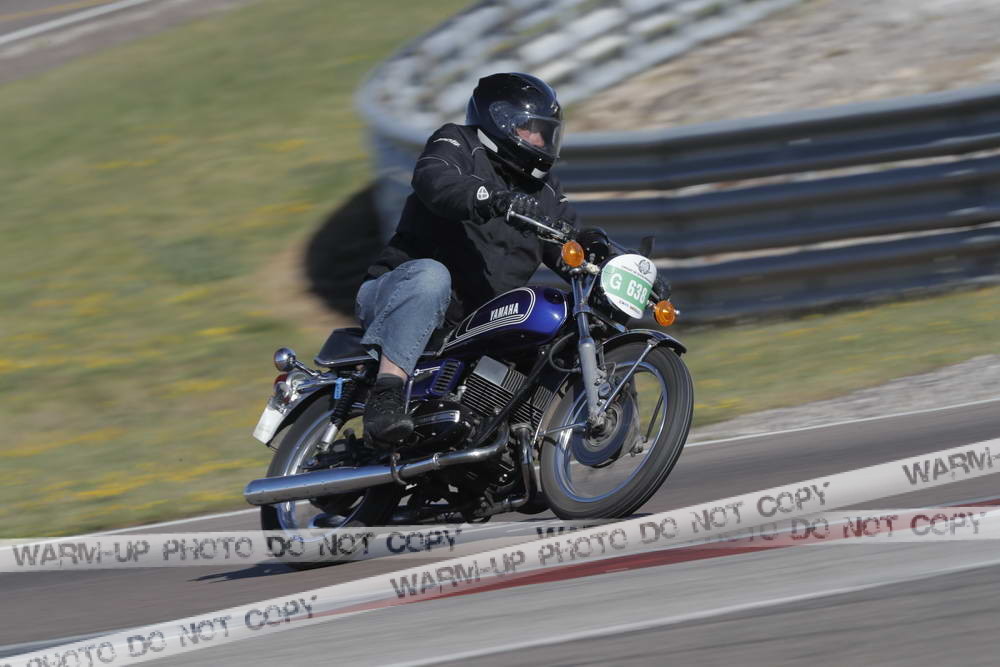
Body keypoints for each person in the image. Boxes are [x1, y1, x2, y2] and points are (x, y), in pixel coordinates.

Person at [355, 72, 579, 448]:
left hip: (473, 325)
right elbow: (435, 180)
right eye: (531, 129)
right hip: (398, 295)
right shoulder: (457, 142)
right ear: (501, 121)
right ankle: (386, 397)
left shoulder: (544, 192)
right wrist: (491, 198)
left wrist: (616, 260)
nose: (540, 141)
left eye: (546, 132)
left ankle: (523, 439)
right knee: (432, 276)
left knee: (552, 323)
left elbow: (570, 241)